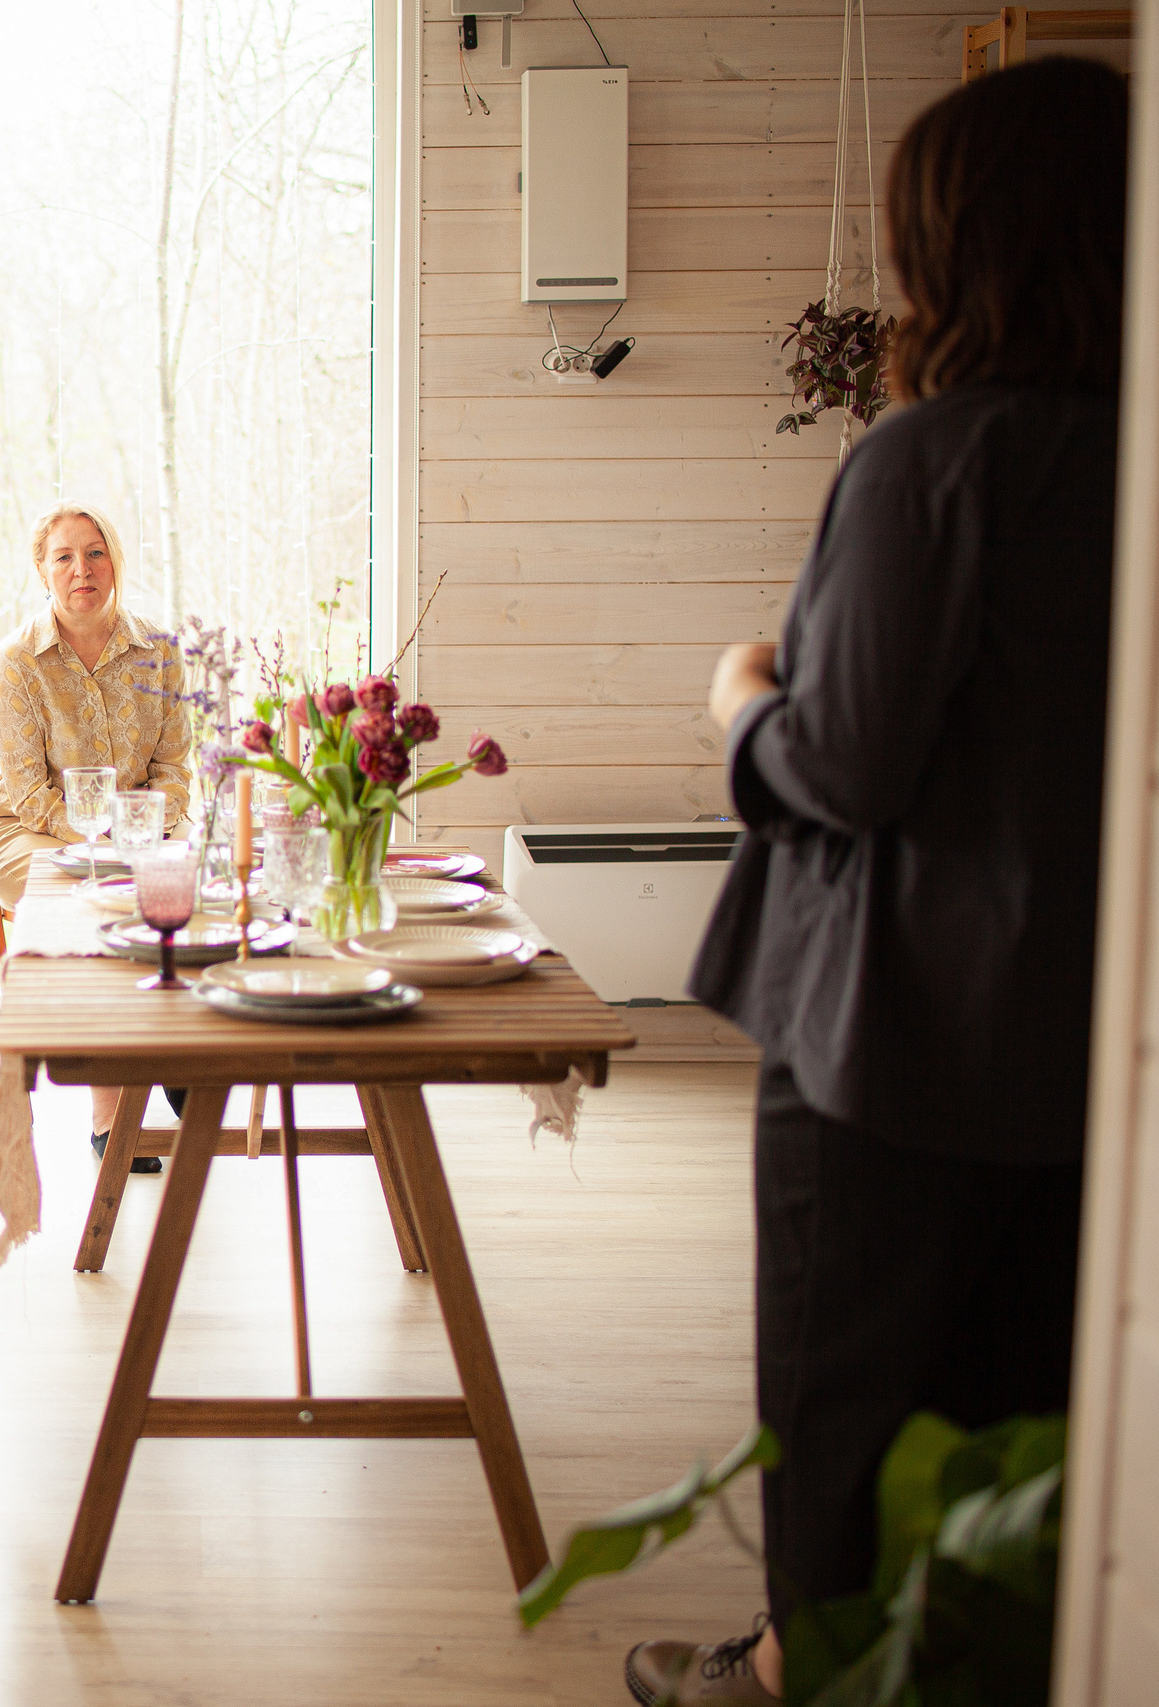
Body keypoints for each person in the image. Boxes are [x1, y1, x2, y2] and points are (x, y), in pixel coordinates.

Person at [635, 60, 1127, 1706]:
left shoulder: (932, 459)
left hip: (887, 1033)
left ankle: (796, 1668)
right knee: (1024, 1385)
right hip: (1088, 1040)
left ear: (960, 245)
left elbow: (841, 765)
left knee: (846, 1389)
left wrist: (742, 700)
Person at [0, 503, 192, 1174]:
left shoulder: (159, 650)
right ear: (42, 571)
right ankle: (111, 1111)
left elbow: (175, 770)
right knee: (97, 894)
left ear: (116, 561)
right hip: (34, 832)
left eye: (95, 552)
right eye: (65, 557)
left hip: (143, 824)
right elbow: (26, 791)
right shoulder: (18, 658)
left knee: (177, 889)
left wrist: (143, 828)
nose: (82, 569)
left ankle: (180, 1051)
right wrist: (106, 839)